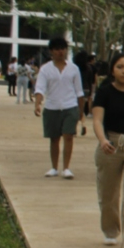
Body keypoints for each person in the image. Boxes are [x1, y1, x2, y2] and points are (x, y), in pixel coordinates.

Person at [93, 53, 124, 248]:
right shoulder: (104, 92)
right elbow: (97, 120)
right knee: (108, 194)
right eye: (120, 67)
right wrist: (103, 140)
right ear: (112, 70)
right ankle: (111, 231)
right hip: (110, 145)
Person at [34, 37, 86, 178]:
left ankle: (66, 168)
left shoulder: (73, 69)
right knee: (54, 138)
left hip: (70, 106)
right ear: (51, 51)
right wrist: (37, 104)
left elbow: (79, 91)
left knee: (68, 136)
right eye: (57, 49)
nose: (60, 52)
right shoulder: (45, 69)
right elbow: (40, 88)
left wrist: (81, 111)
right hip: (52, 106)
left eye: (63, 49)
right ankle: (54, 167)